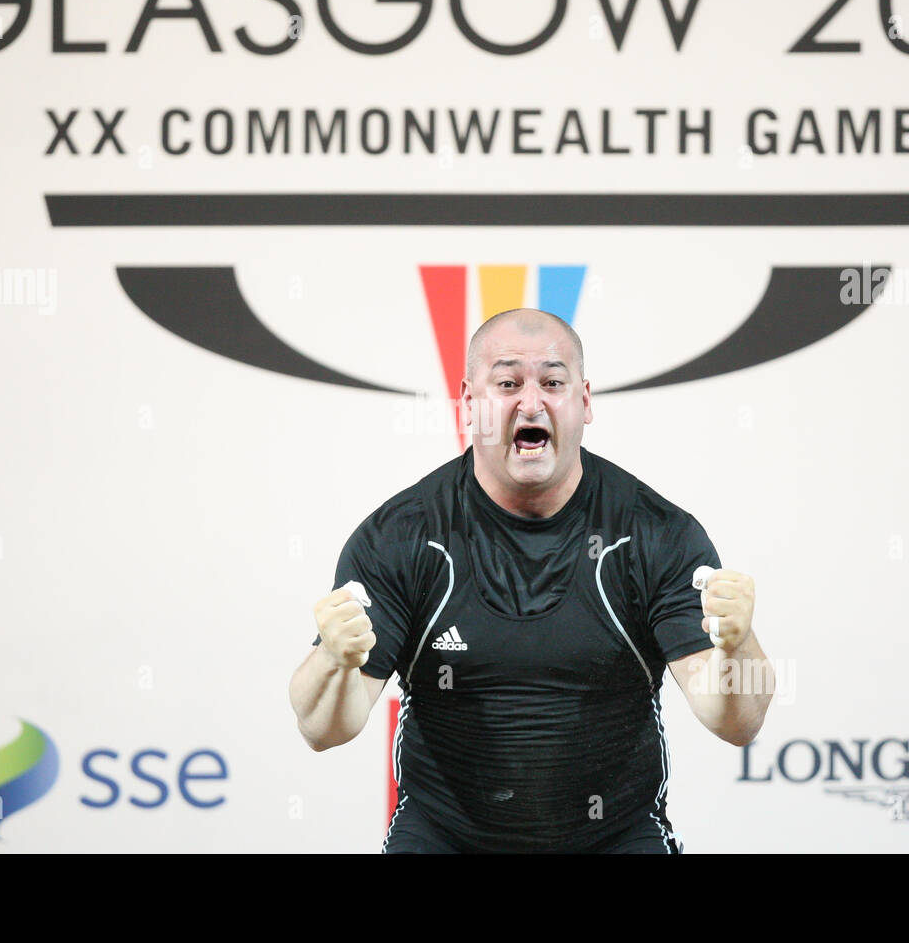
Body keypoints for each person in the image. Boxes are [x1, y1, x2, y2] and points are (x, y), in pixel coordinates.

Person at [288, 308, 773, 853]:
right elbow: (324, 729)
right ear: (470, 404)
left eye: (552, 382)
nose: (531, 401)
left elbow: (736, 722)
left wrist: (739, 648)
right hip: (446, 838)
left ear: (584, 402)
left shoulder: (655, 532)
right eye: (508, 383)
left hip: (613, 837)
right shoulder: (403, 536)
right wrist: (332, 659)